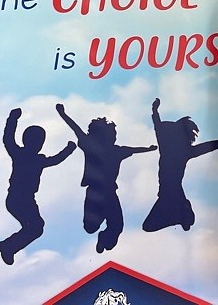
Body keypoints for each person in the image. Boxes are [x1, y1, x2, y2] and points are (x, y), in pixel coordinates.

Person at [56, 103, 157, 253]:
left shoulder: (117, 151)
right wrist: (63, 114)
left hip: (109, 194)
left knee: (116, 225)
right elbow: (76, 129)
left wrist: (148, 149)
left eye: (115, 135)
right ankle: (100, 230)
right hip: (95, 193)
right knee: (90, 228)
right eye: (112, 134)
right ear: (103, 136)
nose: (115, 137)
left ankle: (104, 239)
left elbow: (134, 150)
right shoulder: (92, 146)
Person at [0, 107, 76, 265]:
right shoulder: (20, 154)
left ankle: (8, 246)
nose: (39, 144)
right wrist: (12, 119)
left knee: (36, 227)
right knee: (35, 227)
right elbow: (8, 139)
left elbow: (55, 160)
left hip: (25, 200)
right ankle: (8, 246)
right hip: (17, 199)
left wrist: (69, 149)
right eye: (37, 141)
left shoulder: (36, 159)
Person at [143, 97, 218, 232]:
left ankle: (181, 214)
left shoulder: (178, 150)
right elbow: (158, 126)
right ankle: (180, 215)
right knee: (148, 226)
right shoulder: (178, 150)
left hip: (171, 193)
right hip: (168, 193)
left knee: (148, 226)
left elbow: (206, 147)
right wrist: (155, 110)